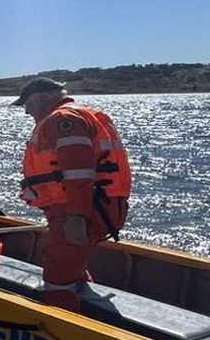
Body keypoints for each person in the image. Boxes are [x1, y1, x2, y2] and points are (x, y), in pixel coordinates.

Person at [12, 77, 131, 312]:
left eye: (27, 104)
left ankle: (63, 332)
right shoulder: (78, 115)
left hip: (79, 210)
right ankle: (84, 308)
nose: (26, 111)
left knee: (58, 278)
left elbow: (78, 173)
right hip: (91, 206)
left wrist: (77, 217)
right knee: (71, 267)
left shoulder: (63, 120)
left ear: (43, 99)